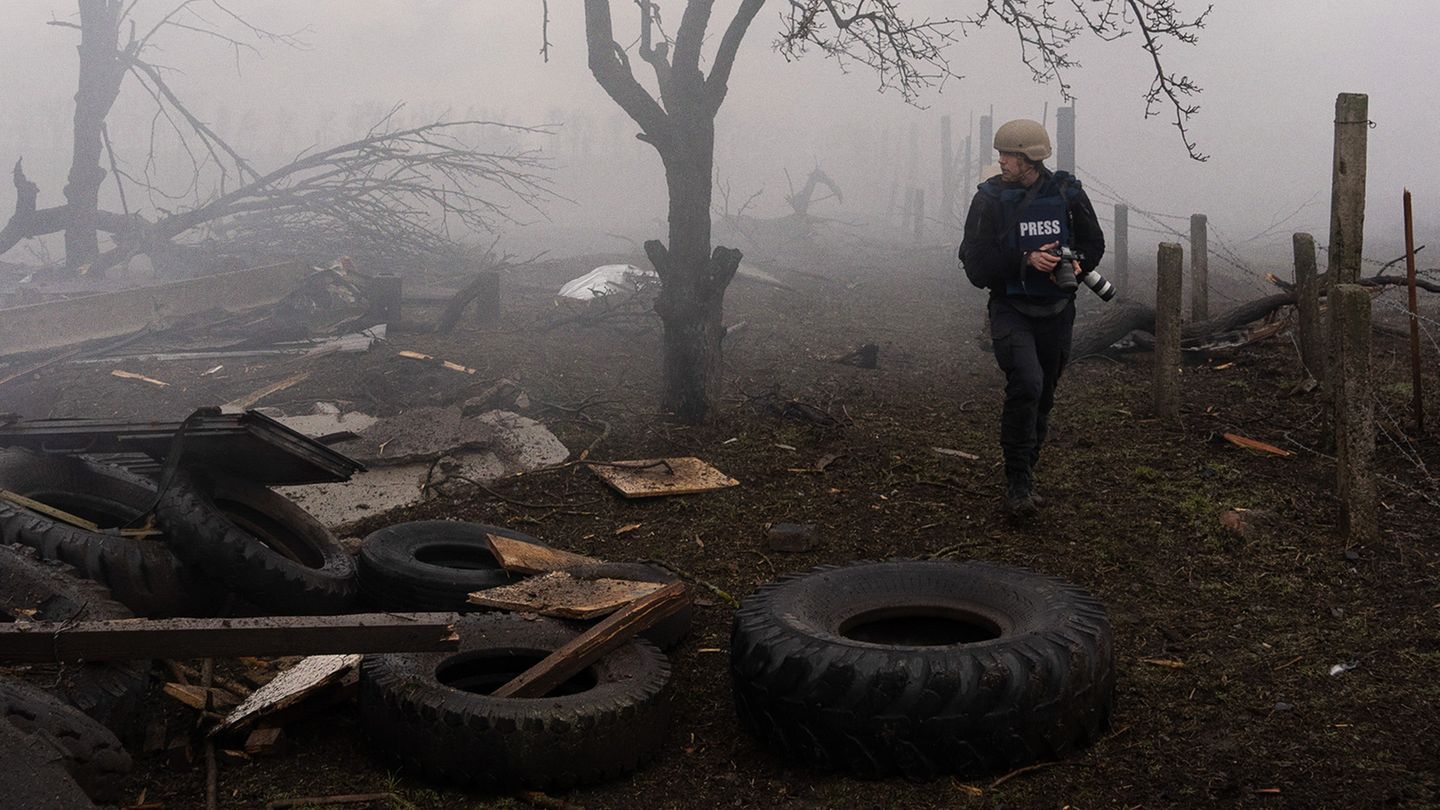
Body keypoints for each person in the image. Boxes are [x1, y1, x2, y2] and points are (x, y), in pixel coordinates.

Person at [958, 119, 1105, 516]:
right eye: (1001, 154)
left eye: (1010, 155)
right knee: (1027, 382)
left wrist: (1078, 264)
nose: (1001, 161)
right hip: (1010, 308)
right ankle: (1017, 482)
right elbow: (975, 265)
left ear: (1031, 158)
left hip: (1057, 310)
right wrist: (1024, 259)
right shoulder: (988, 200)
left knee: (1045, 394)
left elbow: (1094, 243)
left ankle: (1028, 470)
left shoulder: (1067, 193)